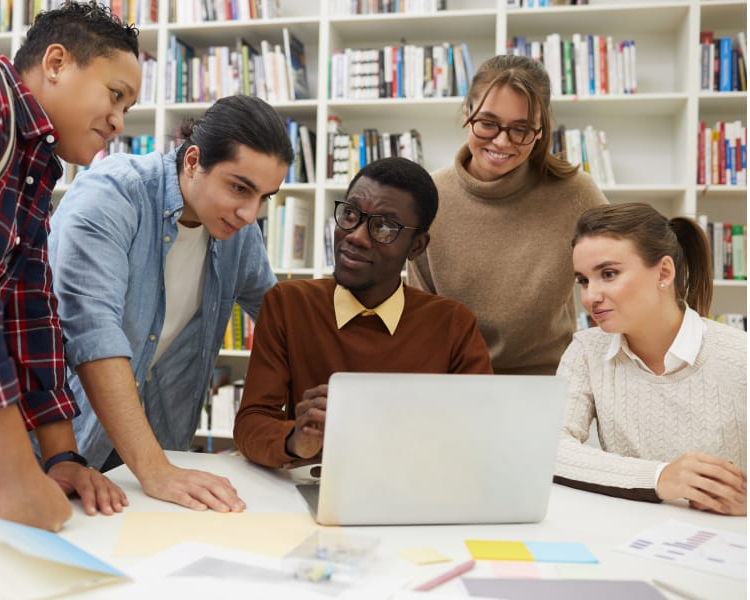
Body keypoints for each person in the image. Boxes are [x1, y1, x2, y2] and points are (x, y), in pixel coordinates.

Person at [48, 94, 294, 513]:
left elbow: (282, 324)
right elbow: (93, 334)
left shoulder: (239, 232)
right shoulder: (112, 194)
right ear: (194, 160)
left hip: (158, 450)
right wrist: (155, 469)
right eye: (239, 188)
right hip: (66, 448)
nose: (250, 213)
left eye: (265, 197)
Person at [0, 1, 141, 531]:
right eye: (115, 95)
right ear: (55, 63)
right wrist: (15, 475)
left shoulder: (35, 166)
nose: (119, 122)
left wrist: (60, 458)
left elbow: (29, 306)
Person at [233, 157, 493, 468]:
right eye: (351, 214)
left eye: (383, 226)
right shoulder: (289, 304)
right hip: (315, 490)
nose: (356, 236)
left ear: (417, 247)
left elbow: (480, 434)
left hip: (418, 490)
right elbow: (251, 423)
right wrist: (295, 440)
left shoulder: (453, 324)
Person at [407, 54, 608, 375]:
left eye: (521, 129)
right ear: (466, 113)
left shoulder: (576, 193)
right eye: (487, 123)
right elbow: (419, 318)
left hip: (548, 383)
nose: (502, 141)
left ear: (541, 131)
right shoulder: (428, 195)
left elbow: (622, 277)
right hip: (453, 382)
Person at [554, 202, 746, 516]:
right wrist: (659, 477)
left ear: (664, 272)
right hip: (632, 540)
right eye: (584, 281)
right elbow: (552, 448)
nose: (590, 297)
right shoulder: (586, 351)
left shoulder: (740, 358)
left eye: (609, 274)